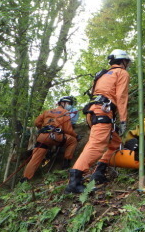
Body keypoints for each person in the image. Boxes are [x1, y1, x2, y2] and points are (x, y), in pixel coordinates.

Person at [65, 49, 131, 193]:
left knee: (115, 144)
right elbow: (121, 96)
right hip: (103, 111)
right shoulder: (122, 73)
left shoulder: (103, 74)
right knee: (97, 145)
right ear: (123, 61)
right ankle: (74, 180)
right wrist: (123, 119)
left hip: (94, 111)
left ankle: (99, 173)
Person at [21, 96, 78, 181]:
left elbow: (37, 122)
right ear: (63, 103)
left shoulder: (47, 112)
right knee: (73, 141)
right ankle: (66, 163)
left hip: (43, 137)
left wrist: (44, 127)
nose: (69, 105)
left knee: (35, 158)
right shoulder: (65, 112)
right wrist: (76, 136)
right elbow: (68, 129)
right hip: (55, 136)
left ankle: (25, 179)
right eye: (69, 103)